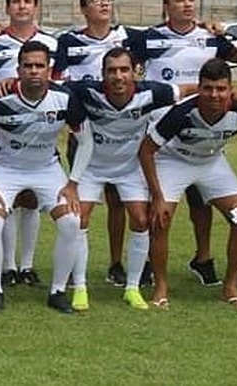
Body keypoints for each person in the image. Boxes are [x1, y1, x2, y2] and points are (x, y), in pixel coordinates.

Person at [131, 0, 237, 290]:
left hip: (205, 133)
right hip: (163, 136)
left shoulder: (210, 38)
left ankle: (203, 259)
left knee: (201, 203)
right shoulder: (148, 38)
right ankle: (146, 266)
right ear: (167, 5)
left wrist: (225, 34)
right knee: (155, 206)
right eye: (180, 0)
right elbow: (121, 62)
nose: (187, 4)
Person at [138, 58, 237, 310]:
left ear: (230, 89)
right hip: (173, 161)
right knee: (161, 219)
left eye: (220, 89)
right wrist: (158, 197)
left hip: (211, 163)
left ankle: (230, 287)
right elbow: (146, 151)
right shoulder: (182, 112)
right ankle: (161, 286)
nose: (214, 95)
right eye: (207, 88)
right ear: (199, 88)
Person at [61, 47, 180, 311]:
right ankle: (80, 287)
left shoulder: (152, 92)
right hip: (92, 166)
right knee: (79, 218)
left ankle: (133, 288)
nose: (118, 76)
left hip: (129, 167)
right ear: (102, 74)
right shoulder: (86, 91)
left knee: (140, 219)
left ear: (134, 72)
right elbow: (49, 86)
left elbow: (186, 90)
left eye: (124, 70)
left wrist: (234, 93)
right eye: (111, 71)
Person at [0, 41, 84, 314]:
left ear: (49, 69)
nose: (34, 71)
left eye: (39, 66)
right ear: (18, 69)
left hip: (47, 168)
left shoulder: (66, 98)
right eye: (28, 66)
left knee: (72, 222)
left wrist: (72, 184)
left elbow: (87, 140)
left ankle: (57, 291)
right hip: (5, 167)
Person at [0, 0, 58, 294]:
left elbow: (58, 84)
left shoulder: (51, 42)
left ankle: (27, 264)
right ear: (7, 7)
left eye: (27, 1)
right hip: (1, 131)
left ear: (35, 6)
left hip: (37, 129)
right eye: (16, 1)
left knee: (32, 199)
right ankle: (7, 265)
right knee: (7, 199)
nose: (22, 6)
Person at [54, 0, 137, 289]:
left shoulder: (128, 36)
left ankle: (116, 263)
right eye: (95, 1)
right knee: (81, 204)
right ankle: (77, 273)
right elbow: (57, 80)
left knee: (118, 201)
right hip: (86, 132)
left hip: (121, 133)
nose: (103, 4)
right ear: (83, 10)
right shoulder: (67, 41)